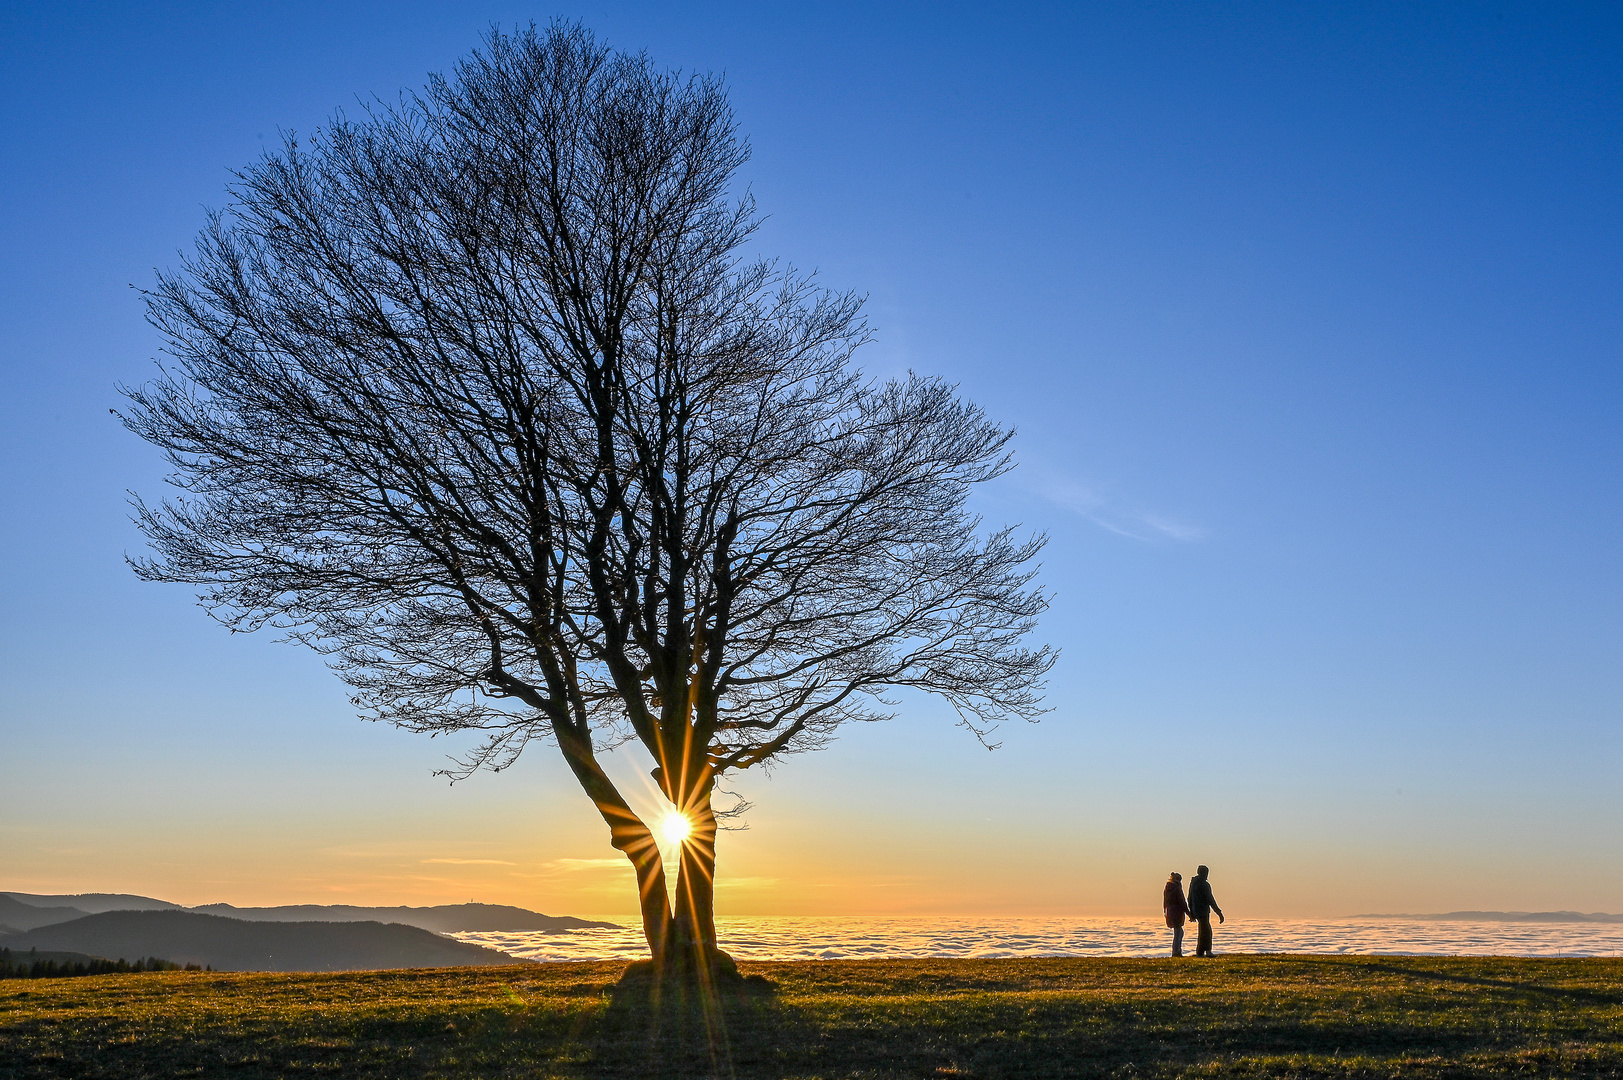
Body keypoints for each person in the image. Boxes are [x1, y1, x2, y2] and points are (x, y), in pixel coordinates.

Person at [1186, 864, 1224, 957]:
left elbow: (1189, 898)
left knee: (1203, 930)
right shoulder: (1204, 884)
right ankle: (1205, 951)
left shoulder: (1193, 883)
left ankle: (1201, 952)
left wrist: (1191, 912)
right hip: (1202, 911)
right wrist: (1219, 912)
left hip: (1196, 911)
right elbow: (1210, 899)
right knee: (1206, 931)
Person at [1162, 872, 1191, 956]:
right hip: (1177, 912)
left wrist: (1165, 910)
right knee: (1178, 932)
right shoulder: (1177, 888)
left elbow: (1165, 902)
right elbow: (1182, 902)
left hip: (1170, 911)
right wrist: (1189, 913)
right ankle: (1176, 951)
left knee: (1178, 932)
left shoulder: (1168, 888)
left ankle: (1176, 951)